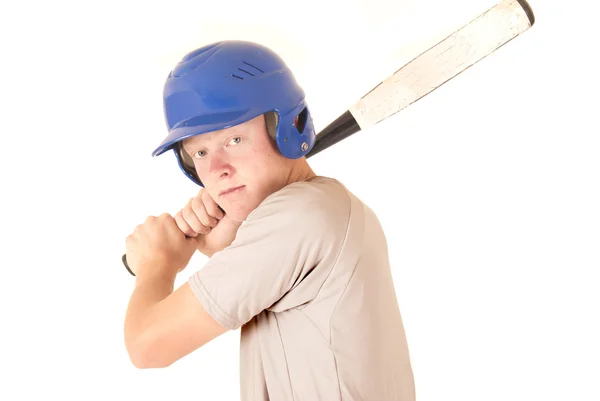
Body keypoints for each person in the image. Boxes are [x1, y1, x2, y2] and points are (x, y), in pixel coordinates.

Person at [124, 40, 416, 401]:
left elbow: (148, 346)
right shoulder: (320, 207)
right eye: (200, 152)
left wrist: (157, 265)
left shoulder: (301, 216)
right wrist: (226, 245)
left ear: (289, 127)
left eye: (233, 139)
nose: (217, 170)